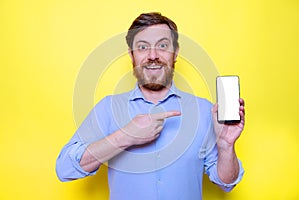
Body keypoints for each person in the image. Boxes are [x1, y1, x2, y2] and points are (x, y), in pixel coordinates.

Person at [56, 12, 245, 200]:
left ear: (175, 53)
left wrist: (226, 146)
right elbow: (64, 169)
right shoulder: (108, 108)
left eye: (162, 46)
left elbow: (226, 183)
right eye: (142, 47)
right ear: (132, 55)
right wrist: (126, 136)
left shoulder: (204, 111)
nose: (153, 55)